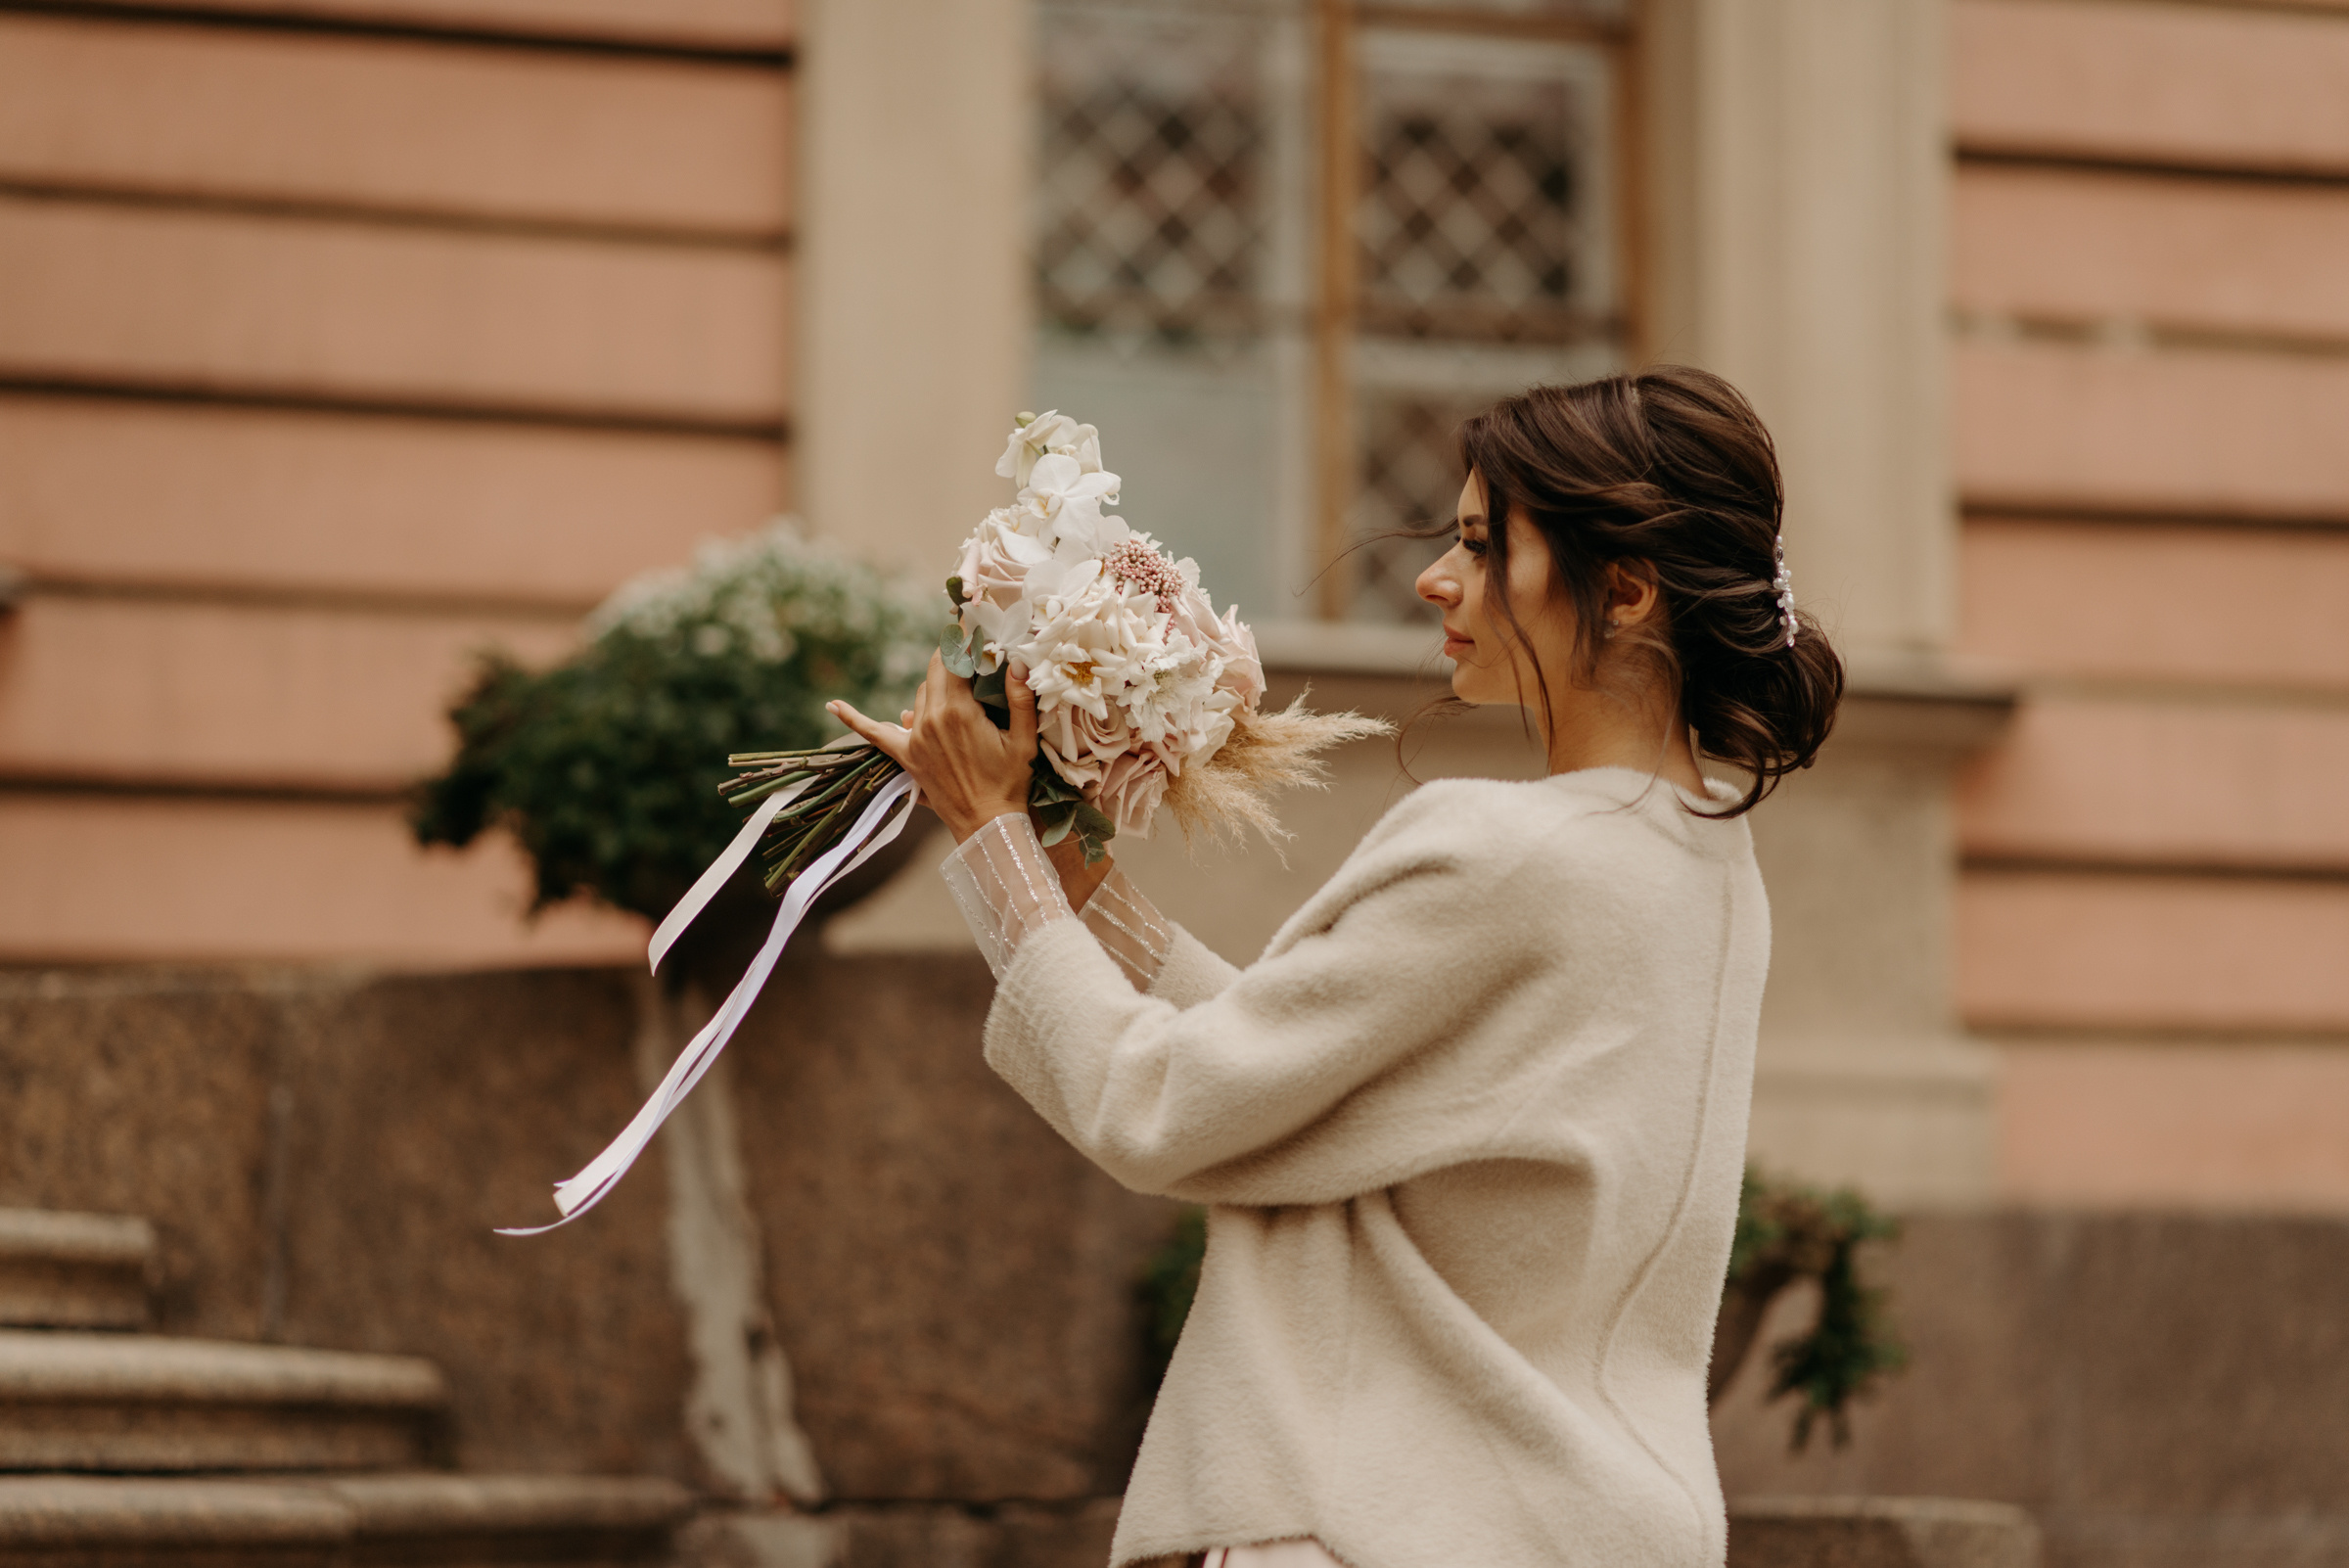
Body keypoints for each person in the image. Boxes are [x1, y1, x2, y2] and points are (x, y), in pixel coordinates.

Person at [831, 366, 1844, 1568]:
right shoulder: (1707, 865)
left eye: (1481, 544)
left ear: (1623, 589)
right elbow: (1309, 1074)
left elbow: (1159, 1105)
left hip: (1375, 1521)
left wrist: (991, 838)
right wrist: (1061, 862)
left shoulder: (1504, 851)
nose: (1436, 578)